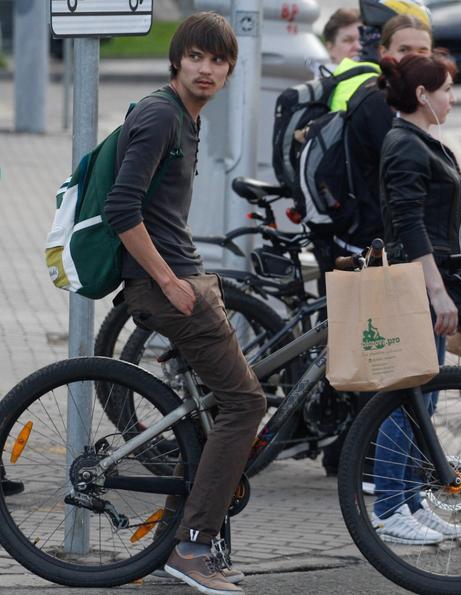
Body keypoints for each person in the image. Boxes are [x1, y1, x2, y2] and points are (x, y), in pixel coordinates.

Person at [103, 12, 266, 595]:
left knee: (220, 408)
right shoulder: (159, 115)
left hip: (180, 277)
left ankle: (209, 538)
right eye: (197, 57)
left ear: (228, 71)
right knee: (246, 405)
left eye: (218, 61)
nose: (207, 69)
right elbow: (122, 210)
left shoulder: (183, 117)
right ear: (178, 60)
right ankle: (192, 547)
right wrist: (172, 281)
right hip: (165, 285)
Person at [317, 10, 433, 478]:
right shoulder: (381, 106)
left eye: (422, 51)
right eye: (405, 51)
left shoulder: (398, 103)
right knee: (384, 365)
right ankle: (375, 475)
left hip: (377, 239)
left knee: (375, 360)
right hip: (375, 243)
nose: (413, 58)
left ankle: (360, 460)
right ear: (386, 55)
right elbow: (402, 191)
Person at [369, 51, 461, 545]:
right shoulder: (405, 144)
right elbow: (407, 223)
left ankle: (408, 501)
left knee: (421, 401)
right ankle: (389, 507)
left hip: (423, 280)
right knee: (406, 400)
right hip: (415, 284)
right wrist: (436, 290)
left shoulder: (418, 139)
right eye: (446, 89)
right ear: (423, 95)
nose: (453, 98)